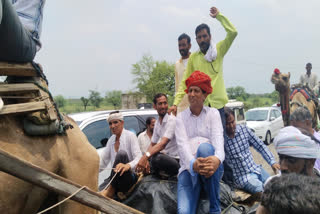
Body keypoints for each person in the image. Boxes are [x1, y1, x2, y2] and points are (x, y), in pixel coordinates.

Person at [169, 6, 237, 129]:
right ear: (196, 40)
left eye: (204, 36)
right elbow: (185, 81)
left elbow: (233, 33)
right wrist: (175, 104)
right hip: (201, 107)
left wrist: (219, 16)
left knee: (220, 141)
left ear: (210, 37)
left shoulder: (219, 50)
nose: (202, 40)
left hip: (218, 107)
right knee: (203, 143)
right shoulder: (194, 58)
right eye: (199, 37)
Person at [175, 71, 224, 214]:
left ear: (205, 95)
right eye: (190, 90)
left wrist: (217, 159)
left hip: (211, 167)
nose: (191, 94)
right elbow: (182, 147)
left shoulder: (213, 113)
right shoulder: (180, 118)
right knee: (183, 212)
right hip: (188, 169)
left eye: (196, 91)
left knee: (204, 149)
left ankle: (215, 208)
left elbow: (219, 144)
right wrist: (193, 164)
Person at [224, 107, 280, 194]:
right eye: (227, 124)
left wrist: (272, 162)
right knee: (263, 192)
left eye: (232, 122)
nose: (231, 126)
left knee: (275, 186)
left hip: (256, 169)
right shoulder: (221, 140)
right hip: (242, 178)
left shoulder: (244, 130)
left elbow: (260, 146)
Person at [99, 111, 142, 198]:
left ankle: (110, 191)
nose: (113, 126)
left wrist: (127, 165)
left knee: (121, 154)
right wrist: (89, 170)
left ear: (122, 123)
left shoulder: (130, 136)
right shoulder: (111, 140)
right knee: (97, 192)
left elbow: (139, 158)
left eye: (115, 122)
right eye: (110, 123)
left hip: (128, 177)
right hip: (114, 177)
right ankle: (111, 188)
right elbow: (103, 162)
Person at [136, 93, 179, 178]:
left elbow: (162, 144)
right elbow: (153, 144)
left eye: (165, 103)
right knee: (151, 157)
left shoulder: (172, 120)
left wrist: (145, 157)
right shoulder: (157, 124)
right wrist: (145, 159)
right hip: (167, 158)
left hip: (177, 160)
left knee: (156, 158)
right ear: (154, 106)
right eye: (160, 104)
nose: (163, 106)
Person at [175, 33, 192, 114]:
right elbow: (177, 87)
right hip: (181, 109)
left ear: (189, 46)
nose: (181, 48)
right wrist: (175, 105)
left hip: (196, 107)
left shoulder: (195, 60)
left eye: (183, 45)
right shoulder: (177, 64)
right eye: (179, 45)